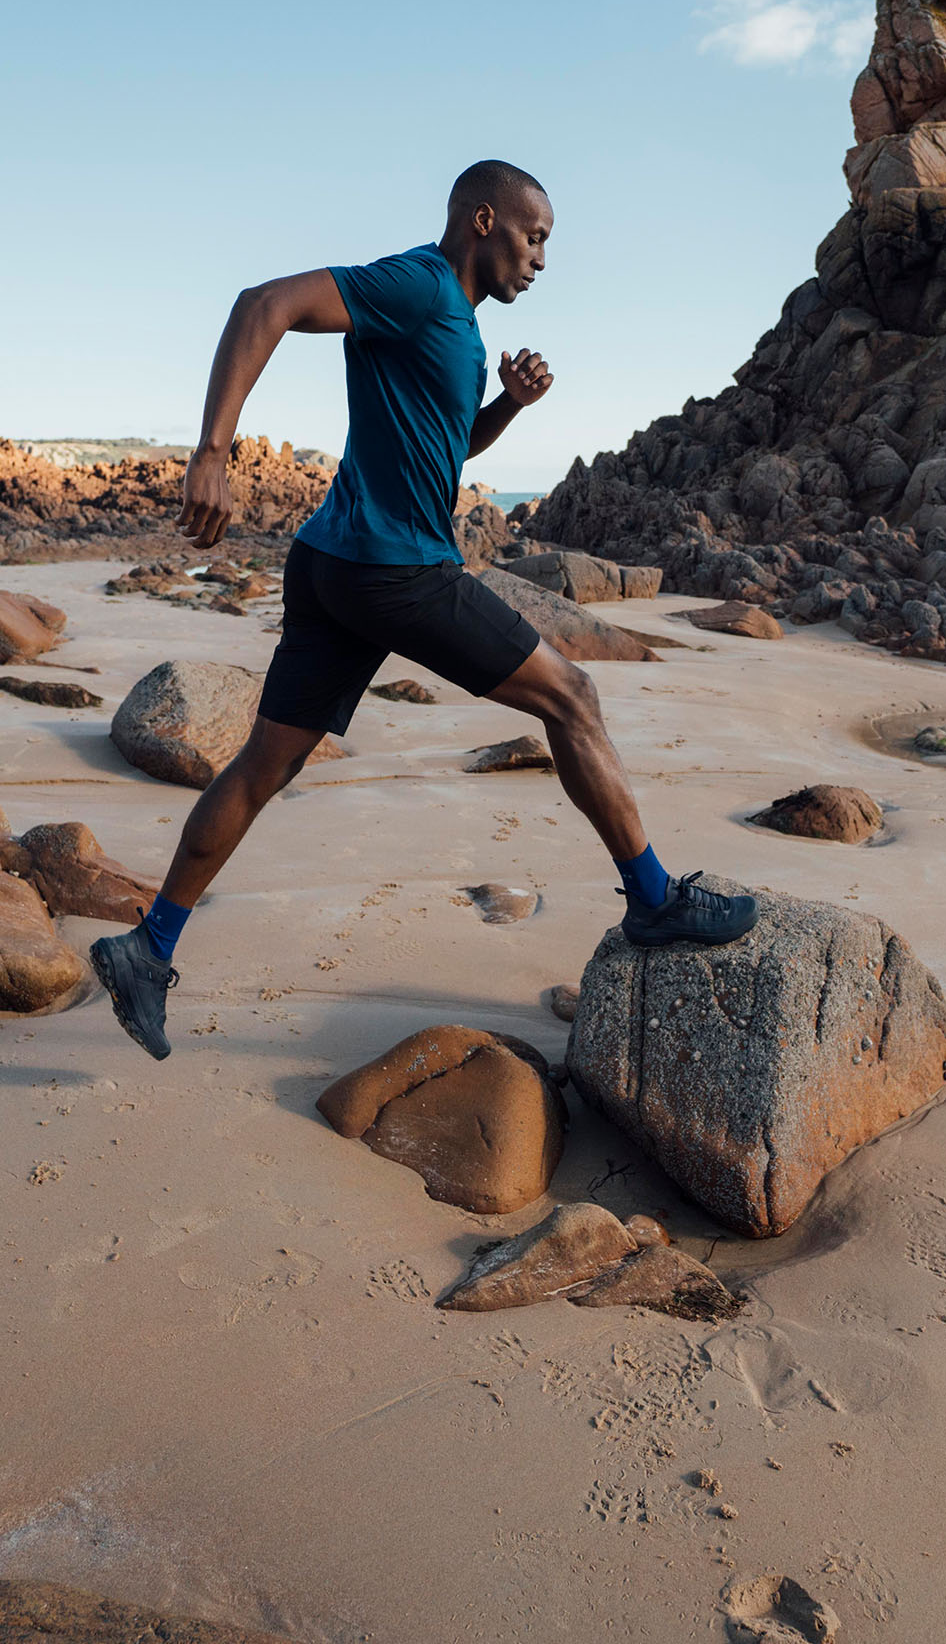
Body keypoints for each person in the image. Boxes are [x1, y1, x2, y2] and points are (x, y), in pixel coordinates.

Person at [91, 160, 758, 1057]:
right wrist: (214, 449)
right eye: (536, 236)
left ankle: (149, 947)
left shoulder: (460, 327)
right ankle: (652, 900)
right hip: (393, 572)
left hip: (333, 564)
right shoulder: (417, 284)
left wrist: (507, 410)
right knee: (572, 699)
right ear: (485, 221)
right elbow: (264, 303)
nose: (542, 258)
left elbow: (446, 440)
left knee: (261, 767)